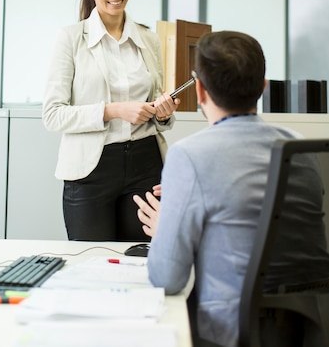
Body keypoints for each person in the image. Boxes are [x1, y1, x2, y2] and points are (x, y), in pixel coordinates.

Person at [133, 30, 329, 347]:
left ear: (199, 90)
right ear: (263, 88)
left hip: (228, 330)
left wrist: (165, 229)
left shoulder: (189, 155)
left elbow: (167, 279)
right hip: (309, 324)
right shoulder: (300, 148)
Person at [42, 0, 179, 242]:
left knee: (142, 261)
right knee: (91, 262)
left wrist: (163, 111)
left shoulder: (148, 39)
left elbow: (157, 108)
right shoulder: (70, 38)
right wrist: (114, 110)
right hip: (91, 170)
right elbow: (52, 115)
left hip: (146, 162)